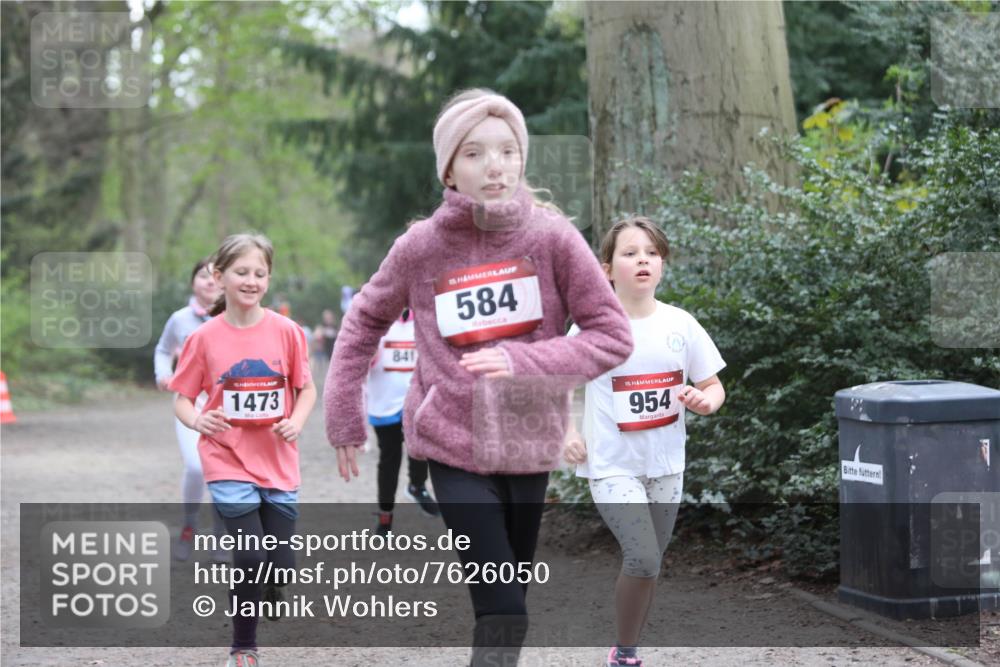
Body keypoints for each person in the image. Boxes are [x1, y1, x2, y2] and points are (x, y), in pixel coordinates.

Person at [324, 88, 633, 666]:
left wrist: (522, 362)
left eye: (507, 151)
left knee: (509, 602)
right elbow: (363, 320)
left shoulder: (552, 238)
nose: (495, 166)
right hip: (451, 442)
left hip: (529, 444)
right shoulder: (421, 246)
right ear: (449, 169)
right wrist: (345, 414)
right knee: (503, 607)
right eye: (474, 153)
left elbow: (612, 336)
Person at [563, 217, 726, 667]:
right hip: (612, 466)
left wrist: (705, 402)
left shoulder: (681, 324)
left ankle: (625, 647)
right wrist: (568, 432)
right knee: (643, 556)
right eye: (631, 253)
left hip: (666, 465)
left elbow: (713, 386)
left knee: (649, 562)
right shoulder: (591, 328)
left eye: (652, 253)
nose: (643, 260)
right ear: (607, 269)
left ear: (662, 265)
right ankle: (626, 654)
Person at [170, 233, 316, 667]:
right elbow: (182, 399)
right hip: (227, 459)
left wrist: (296, 421)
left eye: (260, 273)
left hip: (278, 462)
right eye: (241, 272)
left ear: (268, 278)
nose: (251, 281)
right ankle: (243, 647)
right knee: (250, 556)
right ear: (219, 277)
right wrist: (198, 420)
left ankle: (272, 581)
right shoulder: (204, 338)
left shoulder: (288, 332)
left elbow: (307, 390)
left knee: (281, 565)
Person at [153, 258, 227, 562]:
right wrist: (163, 374)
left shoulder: (235, 317)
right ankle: (189, 525)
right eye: (201, 275)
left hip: (227, 407)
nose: (209, 281)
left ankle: (222, 536)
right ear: (192, 282)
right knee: (197, 467)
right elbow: (162, 349)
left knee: (224, 473)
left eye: (214, 276)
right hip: (190, 404)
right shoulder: (180, 319)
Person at [366, 307, 439, 536]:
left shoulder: (424, 317)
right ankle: (385, 515)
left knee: (421, 449)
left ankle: (417, 486)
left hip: (416, 401)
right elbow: (358, 358)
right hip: (385, 404)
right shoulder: (375, 318)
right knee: (390, 460)